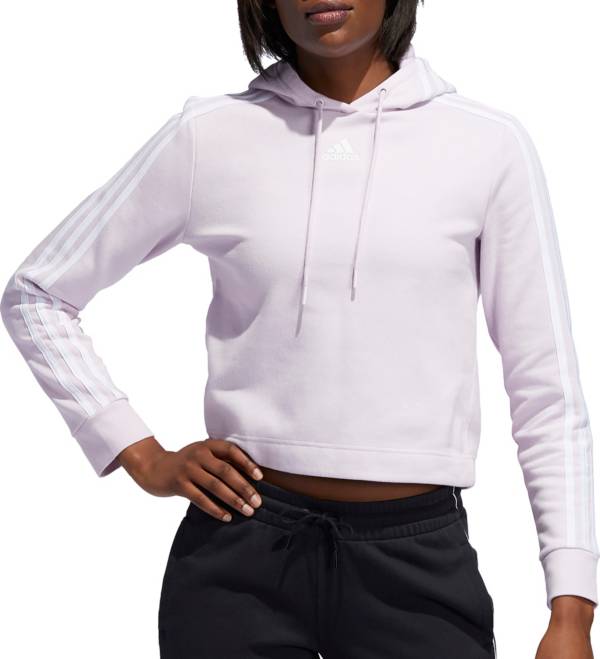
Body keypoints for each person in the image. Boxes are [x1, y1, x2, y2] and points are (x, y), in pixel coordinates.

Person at [1, 0, 597, 656]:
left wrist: (571, 608)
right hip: (239, 552)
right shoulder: (211, 136)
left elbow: (546, 389)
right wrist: (138, 452)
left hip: (416, 561)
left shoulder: (486, 145)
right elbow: (37, 292)